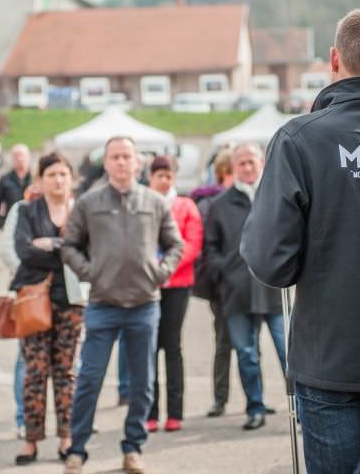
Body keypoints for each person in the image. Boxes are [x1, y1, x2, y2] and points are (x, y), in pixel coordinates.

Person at [240, 8, 360, 473]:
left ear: (333, 59)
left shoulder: (298, 140)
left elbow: (270, 261)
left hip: (329, 350)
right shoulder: (298, 140)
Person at [62, 137, 183, 474]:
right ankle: (77, 450)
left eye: (126, 156)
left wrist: (159, 274)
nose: (120, 162)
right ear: (106, 162)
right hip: (102, 304)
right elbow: (70, 246)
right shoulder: (89, 202)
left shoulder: (154, 202)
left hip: (144, 305)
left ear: (137, 163)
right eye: (114, 157)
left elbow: (176, 244)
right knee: (89, 379)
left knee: (143, 384)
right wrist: (91, 274)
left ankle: (133, 448)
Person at [204, 143, 285, 431]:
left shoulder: (276, 196)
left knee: (288, 353)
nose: (248, 168)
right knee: (246, 354)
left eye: (252, 162)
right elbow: (210, 248)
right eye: (242, 163)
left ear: (262, 162)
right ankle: (255, 407)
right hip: (237, 293)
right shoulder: (220, 205)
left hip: (275, 291)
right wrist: (225, 271)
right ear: (233, 167)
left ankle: (302, 408)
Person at [11, 152, 83, 466]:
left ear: (71, 178)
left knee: (66, 372)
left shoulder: (80, 212)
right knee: (34, 372)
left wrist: (51, 244)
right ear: (40, 180)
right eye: (51, 174)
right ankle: (31, 440)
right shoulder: (27, 210)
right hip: (33, 300)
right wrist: (64, 248)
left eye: (62, 174)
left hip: (70, 299)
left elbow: (86, 252)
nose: (57, 180)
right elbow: (24, 250)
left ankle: (67, 438)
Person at [146, 156, 203, 433]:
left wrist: (166, 266)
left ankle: (175, 411)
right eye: (159, 175)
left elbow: (193, 243)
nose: (164, 180)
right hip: (147, 286)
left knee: (172, 346)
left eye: (169, 175)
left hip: (177, 284)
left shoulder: (185, 205)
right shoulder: (142, 203)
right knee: (149, 349)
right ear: (151, 177)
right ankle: (150, 411)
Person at [191, 147, 235, 417]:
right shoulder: (209, 205)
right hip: (221, 285)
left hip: (249, 284)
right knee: (224, 342)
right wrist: (221, 272)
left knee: (250, 346)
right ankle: (220, 398)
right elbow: (206, 247)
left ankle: (256, 399)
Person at [0, 179, 42, 440]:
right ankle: (24, 418)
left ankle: (70, 417)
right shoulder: (22, 209)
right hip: (29, 292)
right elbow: (8, 249)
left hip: (64, 295)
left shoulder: (71, 209)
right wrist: (27, 272)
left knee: (71, 361)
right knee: (26, 356)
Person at [0, 144, 32, 228]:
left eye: (22, 155)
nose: (20, 159)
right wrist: (2, 223)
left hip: (33, 224)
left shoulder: (35, 179)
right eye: (16, 156)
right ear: (12, 159)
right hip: (12, 225)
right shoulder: (5, 179)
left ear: (28, 157)